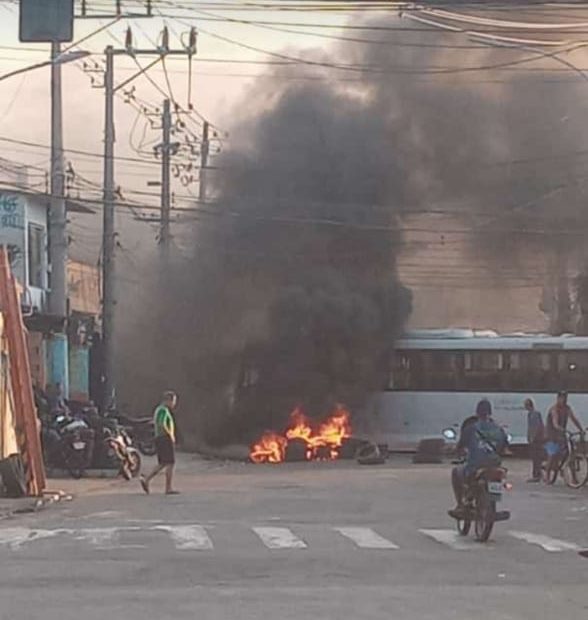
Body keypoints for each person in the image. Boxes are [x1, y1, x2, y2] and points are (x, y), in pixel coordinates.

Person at [449, 399, 508, 519]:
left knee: (456, 472)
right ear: (490, 412)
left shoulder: (471, 428)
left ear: (477, 413)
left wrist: (455, 451)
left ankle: (461, 504)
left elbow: (460, 446)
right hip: (495, 465)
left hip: (475, 466)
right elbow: (504, 447)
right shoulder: (499, 429)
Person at [140, 391, 179, 495]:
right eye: (173, 401)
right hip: (164, 438)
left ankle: (147, 479)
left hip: (160, 438)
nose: (174, 404)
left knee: (163, 463)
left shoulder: (159, 409)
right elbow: (162, 423)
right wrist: (170, 435)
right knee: (170, 463)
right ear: (168, 400)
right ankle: (168, 487)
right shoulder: (163, 410)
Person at [544, 391, 584, 481]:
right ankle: (547, 476)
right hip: (551, 435)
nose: (564, 400)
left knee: (570, 455)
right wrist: (564, 430)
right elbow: (555, 424)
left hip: (561, 435)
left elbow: (573, 418)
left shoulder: (567, 408)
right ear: (558, 398)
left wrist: (580, 429)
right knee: (552, 455)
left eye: (565, 398)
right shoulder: (554, 409)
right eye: (562, 398)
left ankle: (574, 478)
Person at [524, 398, 544, 483]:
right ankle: (538, 474)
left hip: (536, 439)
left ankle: (536, 475)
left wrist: (532, 437)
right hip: (535, 438)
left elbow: (536, 427)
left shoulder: (534, 414)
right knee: (536, 457)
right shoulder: (531, 414)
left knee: (536, 457)